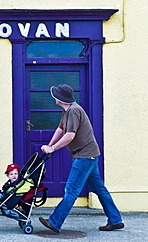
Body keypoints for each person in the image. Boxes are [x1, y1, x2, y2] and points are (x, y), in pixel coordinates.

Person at [38, 84, 124, 233]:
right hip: (89, 155)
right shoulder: (67, 111)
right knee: (99, 189)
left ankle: (54, 222)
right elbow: (60, 129)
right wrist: (50, 144)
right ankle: (115, 220)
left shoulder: (74, 111)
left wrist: (53, 148)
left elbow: (70, 136)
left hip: (85, 156)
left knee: (71, 190)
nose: (53, 97)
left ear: (60, 99)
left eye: (56, 95)